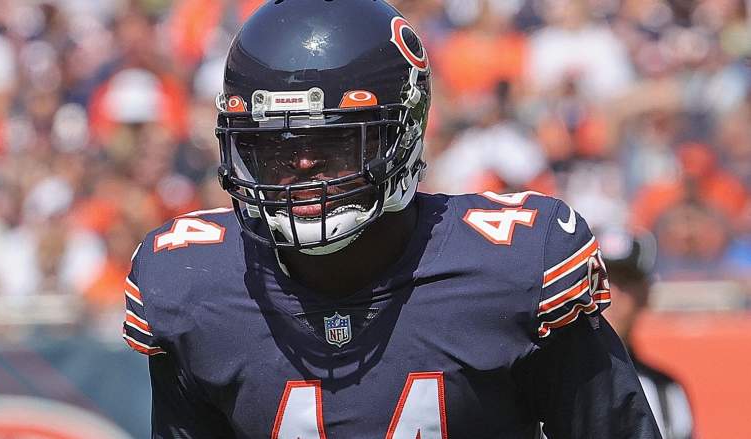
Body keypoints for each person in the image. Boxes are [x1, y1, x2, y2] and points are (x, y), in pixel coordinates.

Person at [122, 1, 661, 437]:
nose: (304, 167)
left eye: (335, 142)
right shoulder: (191, 286)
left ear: (403, 133)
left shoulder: (514, 267)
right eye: (275, 147)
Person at [600, 228, 694, 439]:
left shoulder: (666, 391)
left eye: (624, 282)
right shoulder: (546, 380)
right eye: (602, 279)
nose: (610, 295)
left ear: (645, 293)